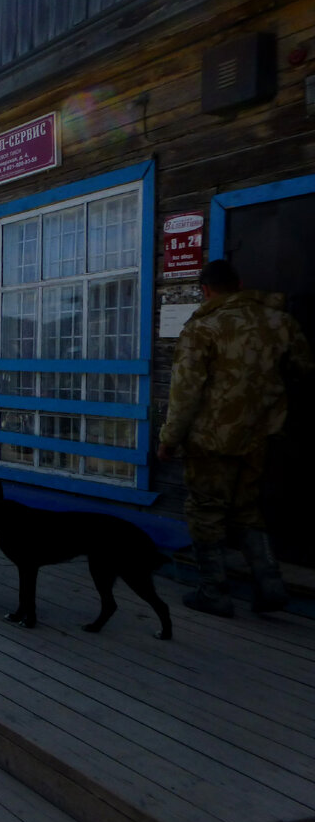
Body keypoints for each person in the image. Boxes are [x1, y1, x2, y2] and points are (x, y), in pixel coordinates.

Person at [157, 259, 313, 617]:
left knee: (205, 510)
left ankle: (214, 592)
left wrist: (169, 438)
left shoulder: (203, 328)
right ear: (239, 283)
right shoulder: (280, 322)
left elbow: (185, 392)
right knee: (247, 508)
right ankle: (270, 583)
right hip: (260, 436)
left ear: (205, 290)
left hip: (210, 440)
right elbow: (304, 369)